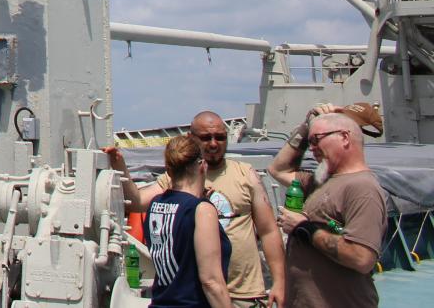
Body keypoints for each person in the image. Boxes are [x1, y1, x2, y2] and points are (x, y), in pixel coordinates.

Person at [113, 112, 285, 308]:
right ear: (191, 139)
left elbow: (268, 231)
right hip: (203, 294)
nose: (213, 143)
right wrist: (119, 165)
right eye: (205, 138)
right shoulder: (175, 182)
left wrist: (279, 282)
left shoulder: (245, 174)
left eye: (220, 137)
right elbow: (136, 202)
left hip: (242, 294)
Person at [267, 107, 386, 308]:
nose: (312, 148)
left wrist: (304, 228)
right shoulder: (321, 181)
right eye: (310, 142)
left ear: (345, 138)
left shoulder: (362, 188)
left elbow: (361, 257)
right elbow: (278, 169)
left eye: (316, 140)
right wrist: (306, 127)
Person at [140, 134, 234, 308]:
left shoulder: (155, 204)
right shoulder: (201, 210)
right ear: (202, 165)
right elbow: (211, 281)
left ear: (169, 170)